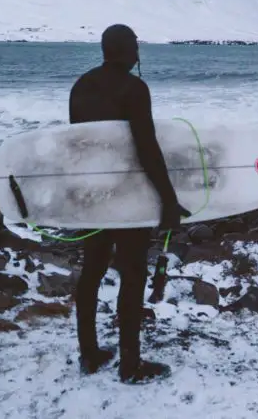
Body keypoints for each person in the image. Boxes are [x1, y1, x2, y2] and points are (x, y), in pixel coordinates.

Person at [68, 23, 190, 384]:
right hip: (126, 195)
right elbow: (146, 148)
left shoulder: (81, 86)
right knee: (133, 273)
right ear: (126, 50)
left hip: (92, 194)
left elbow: (79, 147)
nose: (139, 52)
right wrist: (169, 200)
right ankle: (130, 364)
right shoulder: (135, 89)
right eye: (136, 45)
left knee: (92, 270)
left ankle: (89, 354)